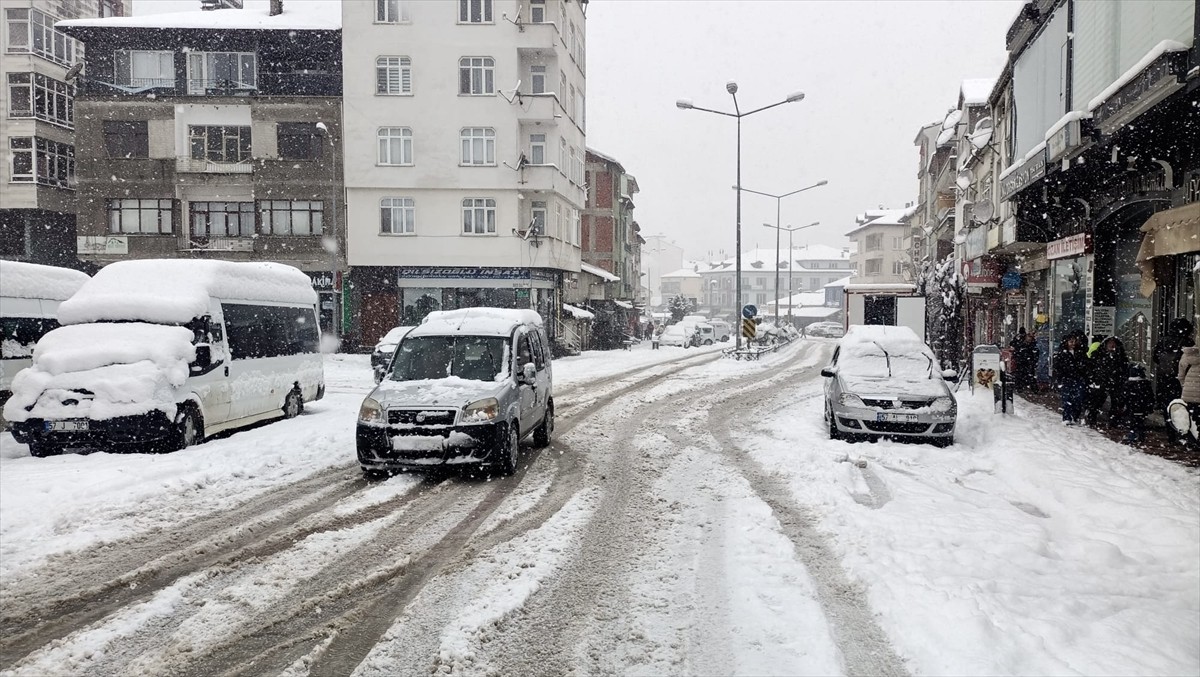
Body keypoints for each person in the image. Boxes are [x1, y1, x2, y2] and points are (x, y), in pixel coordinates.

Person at [1154, 319, 1196, 414]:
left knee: (1166, 402)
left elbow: (1155, 358)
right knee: (1179, 403)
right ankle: (1177, 423)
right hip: (1180, 376)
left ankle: (1168, 419)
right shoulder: (1187, 342)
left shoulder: (1162, 341)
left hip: (1163, 375)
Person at [1087, 336, 1129, 426]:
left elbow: (1124, 369)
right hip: (1102, 381)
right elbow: (1092, 367)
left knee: (1116, 402)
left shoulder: (1120, 356)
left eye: (1114, 343)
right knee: (1098, 401)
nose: (1112, 345)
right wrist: (1094, 378)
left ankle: (1113, 420)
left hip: (1116, 382)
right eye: (1110, 343)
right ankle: (1092, 417)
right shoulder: (1098, 354)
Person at [1054, 331, 1089, 425]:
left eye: (1074, 341)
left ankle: (1074, 416)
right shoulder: (1062, 354)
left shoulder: (1080, 353)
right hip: (1067, 379)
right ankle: (1067, 417)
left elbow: (1085, 365)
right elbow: (1058, 368)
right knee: (1067, 398)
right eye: (1071, 342)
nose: (1073, 344)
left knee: (1078, 398)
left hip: (1078, 378)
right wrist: (1060, 379)